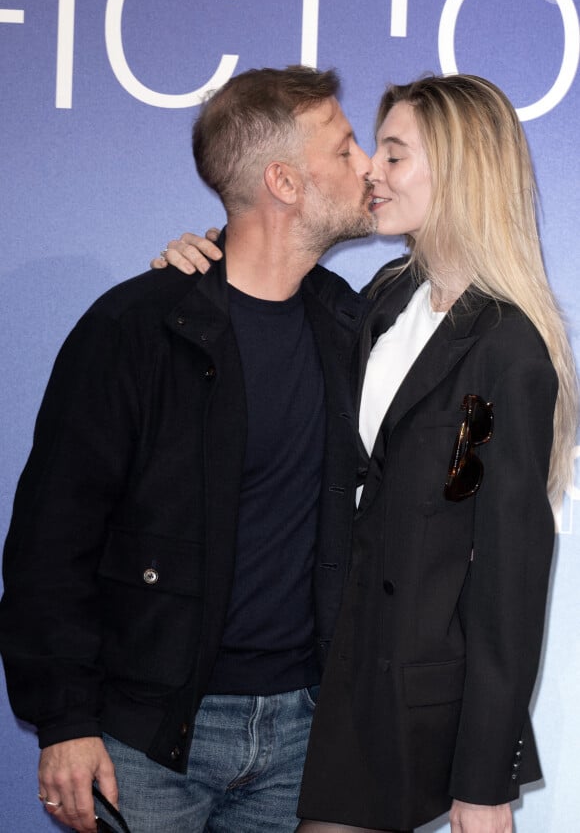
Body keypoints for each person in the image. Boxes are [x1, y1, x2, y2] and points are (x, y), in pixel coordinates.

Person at [152, 73, 578, 833]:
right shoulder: (382, 297)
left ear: (459, 169)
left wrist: (484, 783)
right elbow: (268, 292)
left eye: (393, 153)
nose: (370, 173)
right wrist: (210, 255)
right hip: (315, 685)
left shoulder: (506, 352)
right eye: (370, 150)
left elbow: (503, 577)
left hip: (395, 710)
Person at [0, 65, 377, 833]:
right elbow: (52, 539)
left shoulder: (346, 324)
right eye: (344, 150)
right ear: (285, 182)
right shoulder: (135, 330)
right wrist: (65, 719)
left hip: (304, 731)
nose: (366, 164)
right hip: (147, 736)